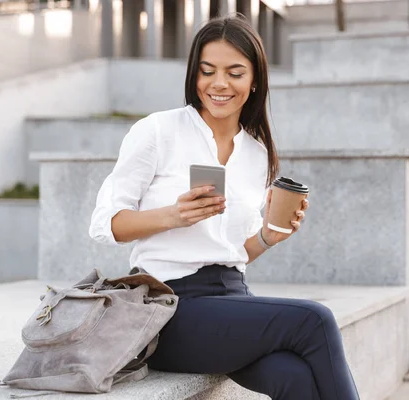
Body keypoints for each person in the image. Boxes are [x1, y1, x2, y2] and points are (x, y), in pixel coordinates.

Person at [88, 14, 360, 400]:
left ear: (254, 82)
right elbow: (105, 224)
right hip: (168, 308)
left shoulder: (257, 154)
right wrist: (173, 215)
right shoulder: (157, 132)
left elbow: (233, 255)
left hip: (232, 301)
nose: (218, 84)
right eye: (207, 71)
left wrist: (267, 237)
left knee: (294, 377)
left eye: (234, 72)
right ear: (193, 75)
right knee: (316, 319)